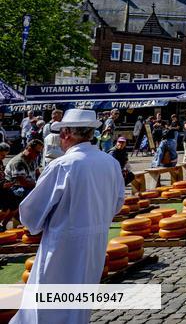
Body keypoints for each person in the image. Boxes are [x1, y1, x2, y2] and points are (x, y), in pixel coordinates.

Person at [12, 109, 125, 324]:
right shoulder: (109, 163)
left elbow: (31, 213)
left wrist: (37, 224)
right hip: (95, 244)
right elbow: (117, 203)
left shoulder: (63, 165)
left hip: (62, 246)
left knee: (46, 307)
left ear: (67, 134)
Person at [5, 139, 42, 208]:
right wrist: (38, 186)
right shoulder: (18, 162)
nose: (38, 155)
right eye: (37, 152)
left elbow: (38, 174)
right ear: (29, 149)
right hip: (15, 188)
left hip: (28, 186)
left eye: (40, 153)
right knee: (34, 196)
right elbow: (23, 182)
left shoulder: (32, 159)